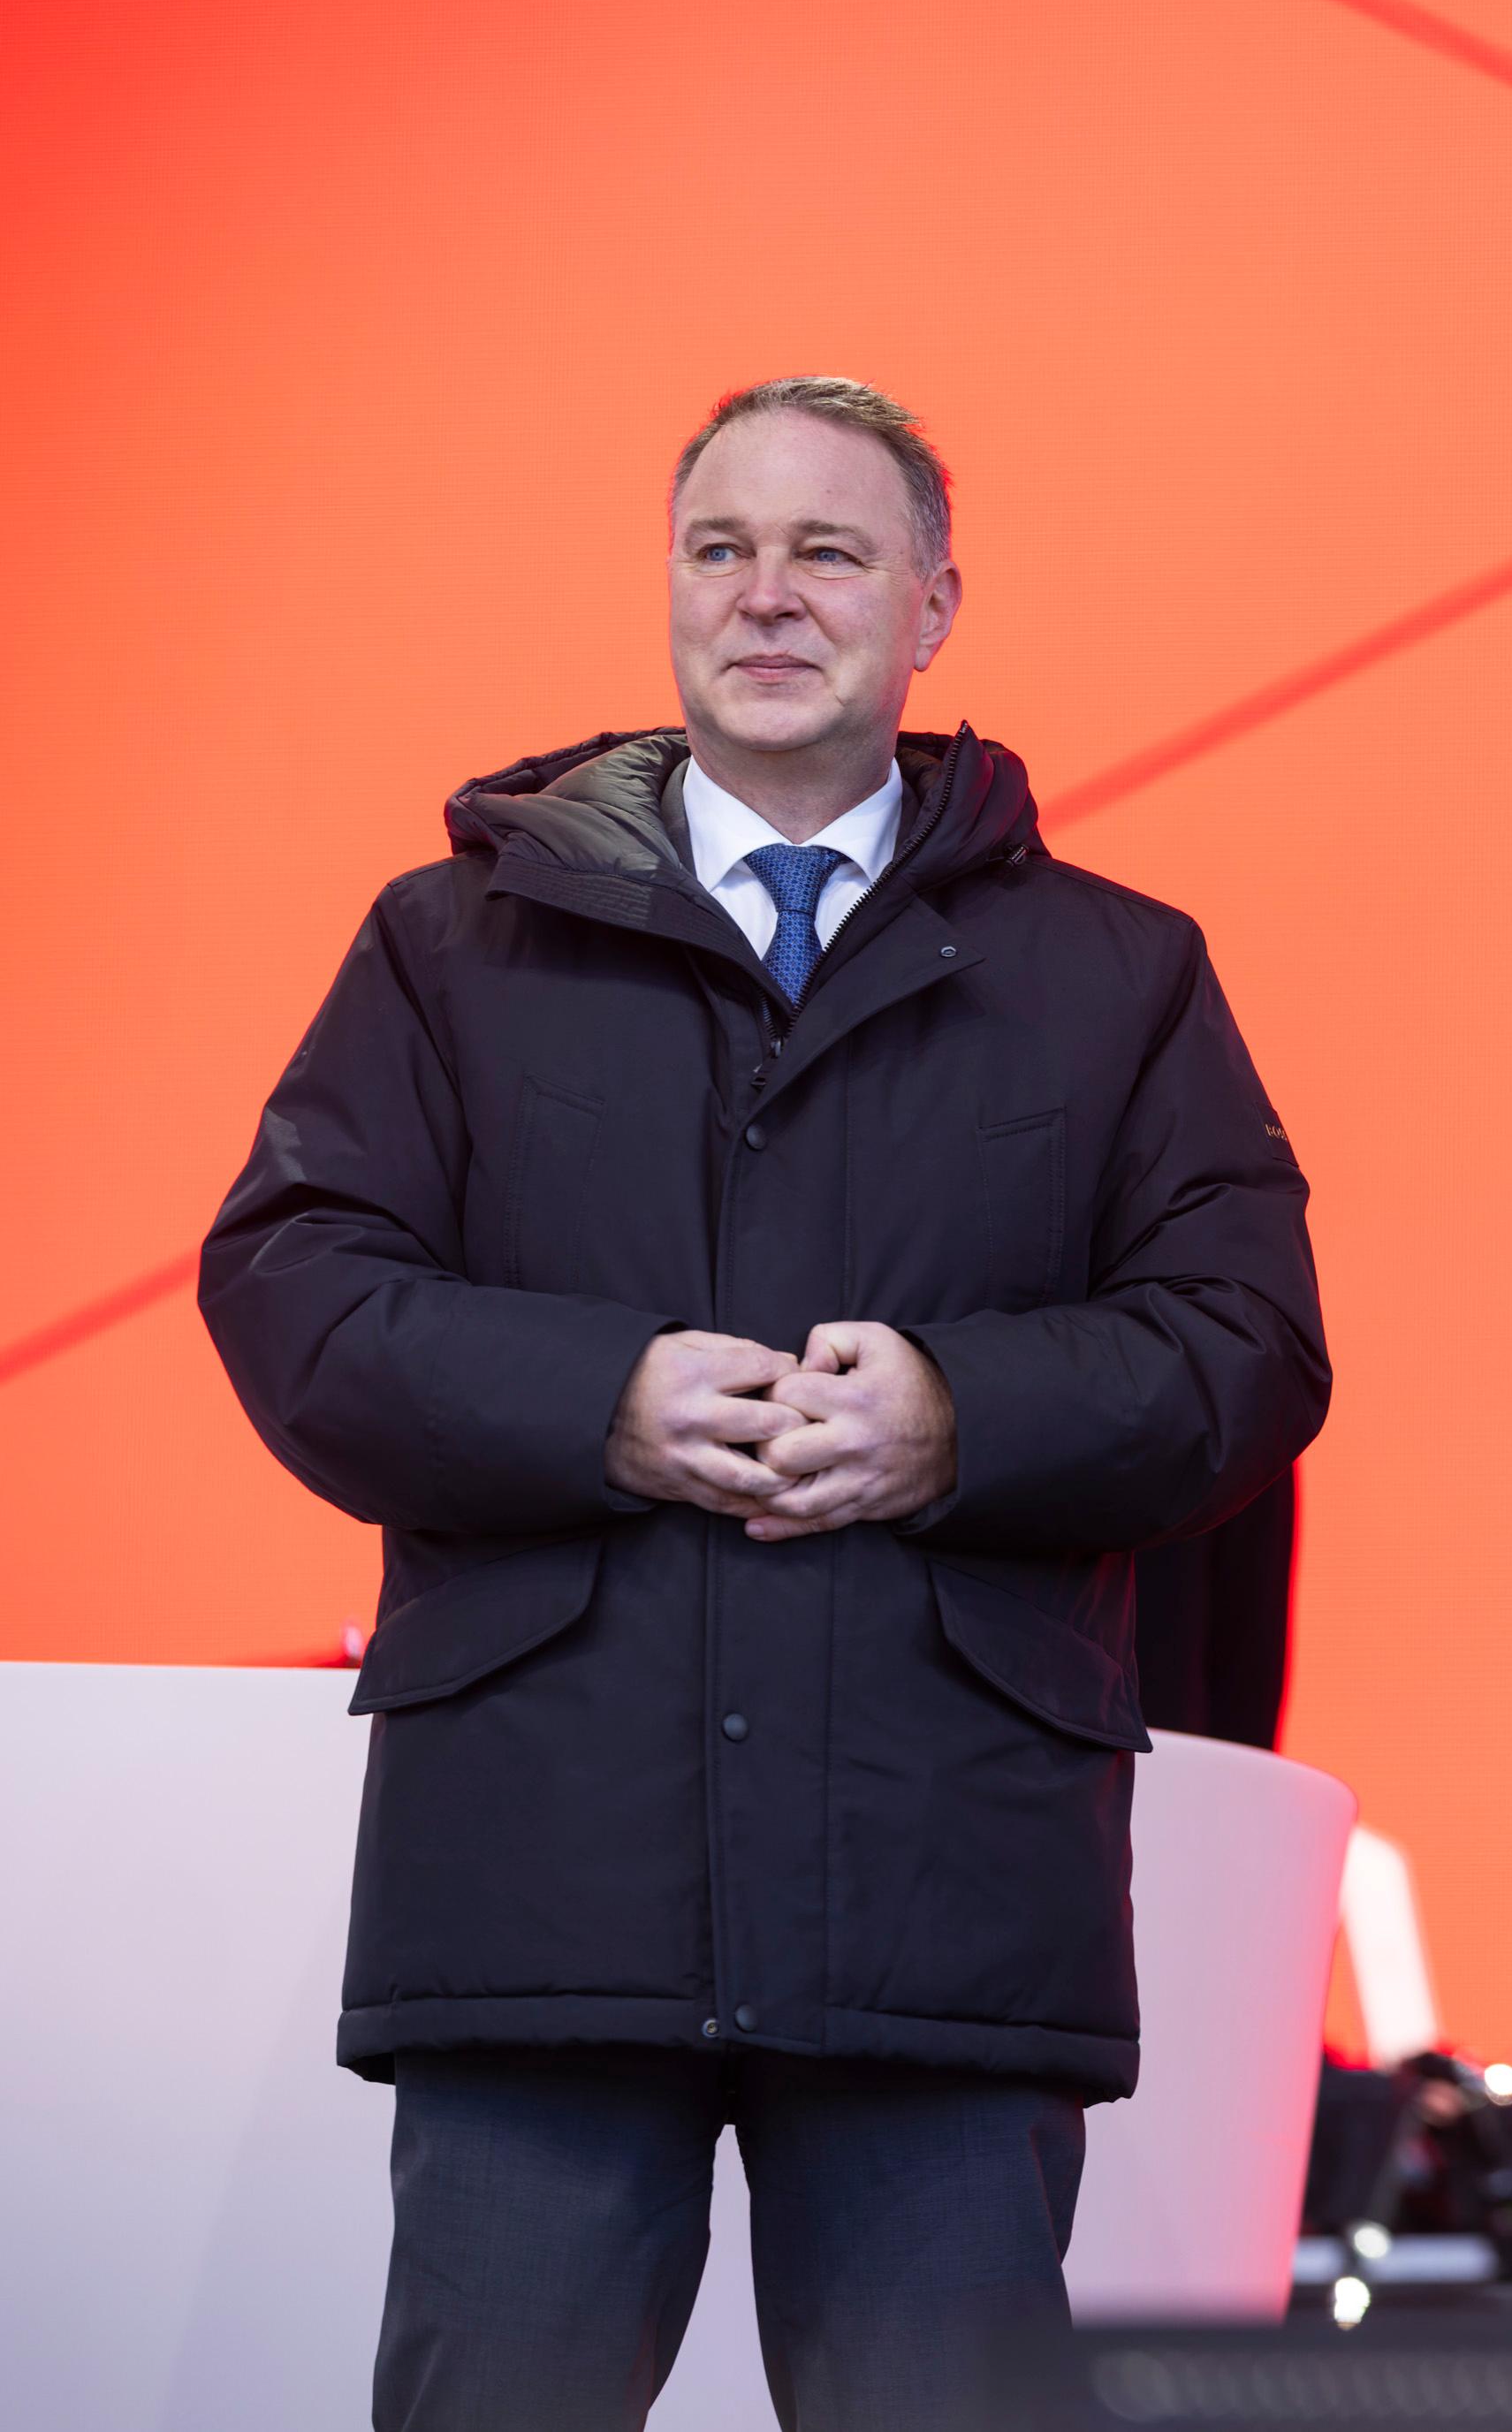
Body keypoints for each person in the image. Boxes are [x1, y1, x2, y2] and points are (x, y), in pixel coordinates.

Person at [198, 376, 1329, 2429]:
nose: (766, 594)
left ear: (933, 603)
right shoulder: (449, 945)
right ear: (668, 586)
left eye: (828, 550)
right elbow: (294, 1285)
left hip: (940, 1900)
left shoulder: (1118, 972)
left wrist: (959, 1413)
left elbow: (1247, 1342)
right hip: (545, 1878)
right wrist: (599, 1397)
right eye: (720, 547)